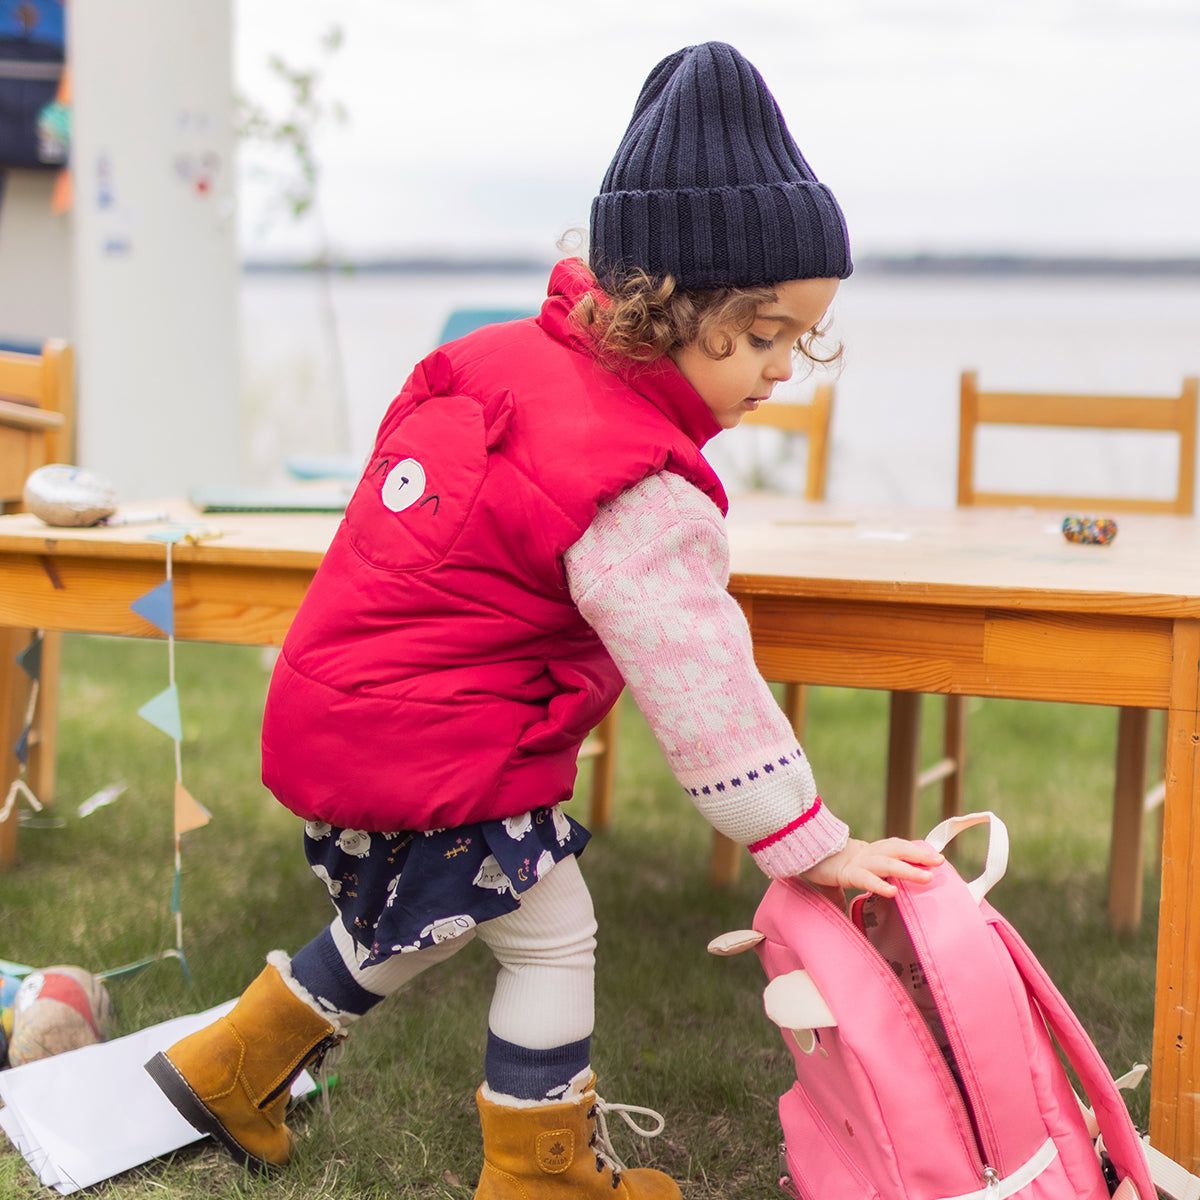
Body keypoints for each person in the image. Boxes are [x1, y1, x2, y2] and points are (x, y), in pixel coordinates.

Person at [145, 40, 943, 1200]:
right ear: (673, 304)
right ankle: (542, 1174)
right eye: (765, 336)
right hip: (446, 746)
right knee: (551, 935)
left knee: (424, 919)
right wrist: (811, 844)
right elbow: (703, 691)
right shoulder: (633, 483)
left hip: (342, 714)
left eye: (800, 341)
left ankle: (230, 1066)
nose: (785, 370)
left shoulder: (487, 364)